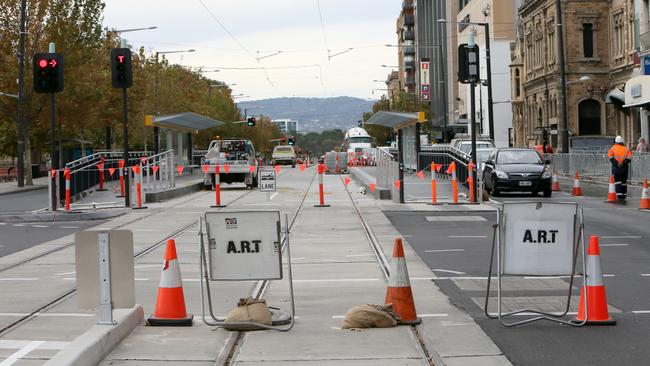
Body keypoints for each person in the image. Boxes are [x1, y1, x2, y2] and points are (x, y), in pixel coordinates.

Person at [608, 136, 632, 202]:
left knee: (618, 182)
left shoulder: (612, 148)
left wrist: (617, 163)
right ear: (622, 141)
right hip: (624, 168)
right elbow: (629, 158)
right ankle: (624, 195)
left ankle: (619, 196)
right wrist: (623, 163)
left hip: (617, 168)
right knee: (624, 182)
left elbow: (611, 157)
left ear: (616, 141)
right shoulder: (627, 149)